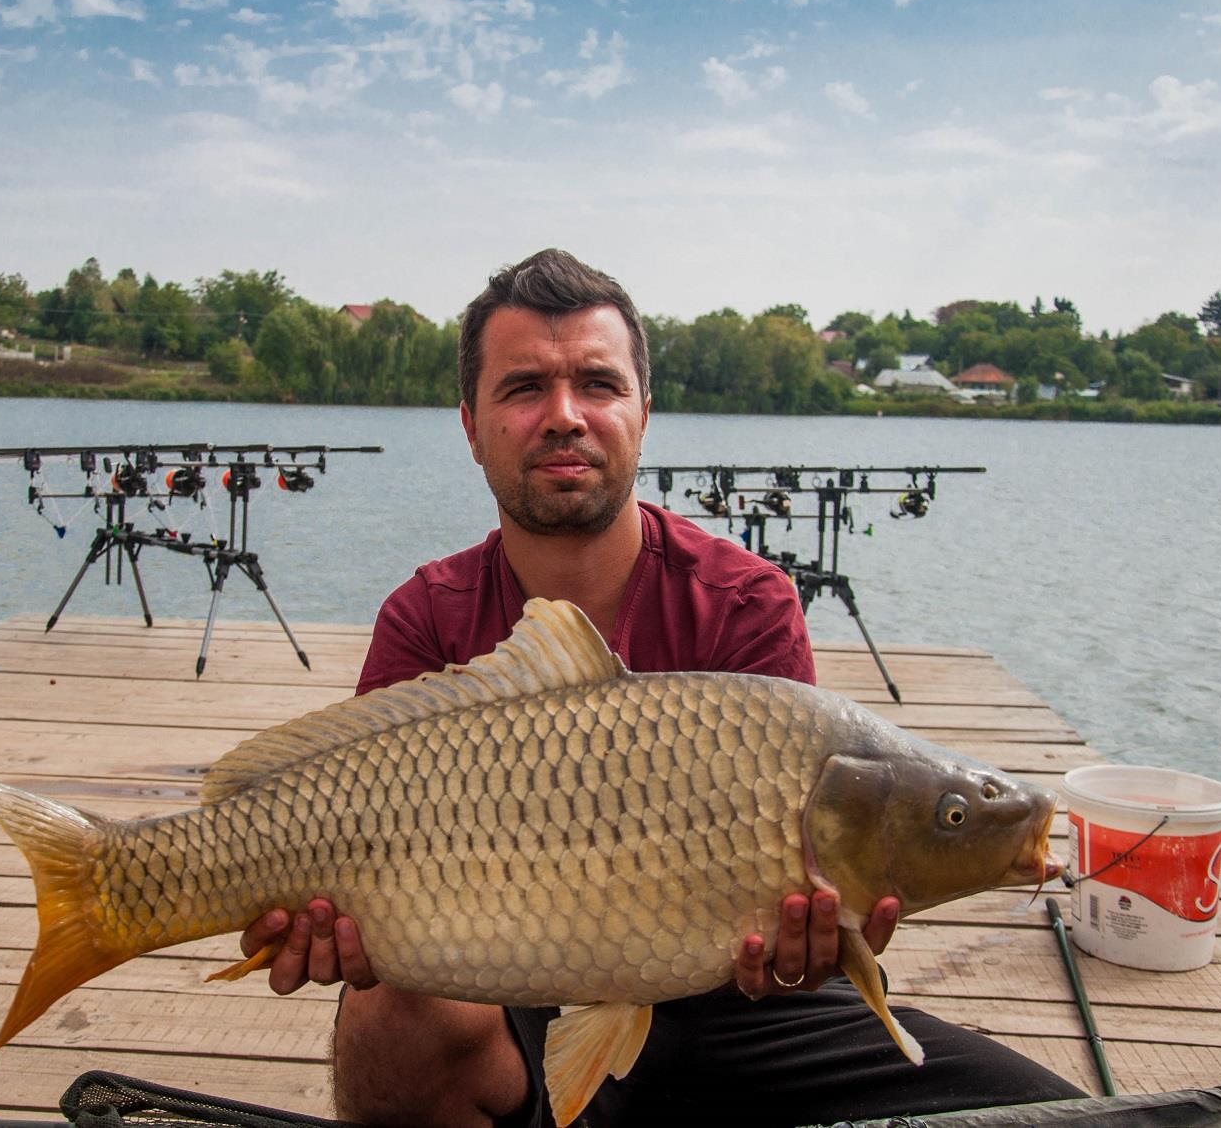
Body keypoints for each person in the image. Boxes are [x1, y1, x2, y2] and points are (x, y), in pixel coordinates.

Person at [239, 249, 1083, 1127]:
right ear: (470, 423)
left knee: (1036, 1112)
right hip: (504, 982)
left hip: (742, 1000)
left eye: (597, 385)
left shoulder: (747, 602)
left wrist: (816, 946)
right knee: (387, 1013)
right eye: (525, 388)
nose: (564, 417)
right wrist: (331, 932)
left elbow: (804, 919)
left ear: (643, 412)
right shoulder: (427, 616)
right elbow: (336, 857)